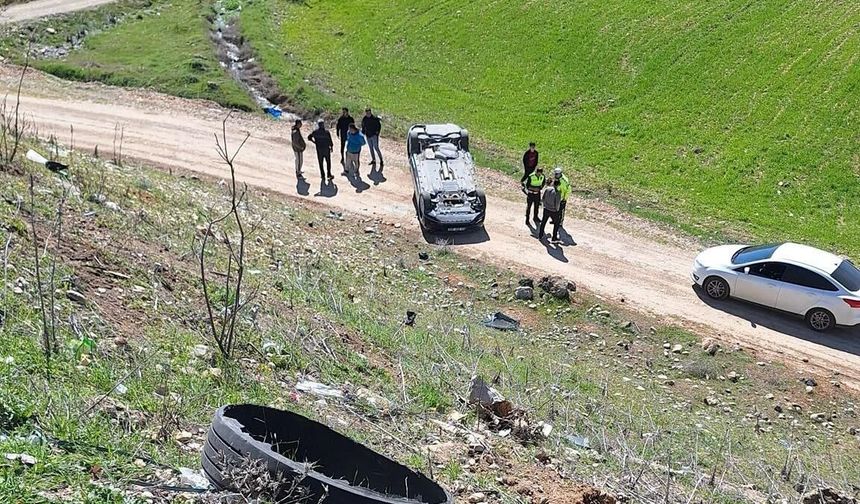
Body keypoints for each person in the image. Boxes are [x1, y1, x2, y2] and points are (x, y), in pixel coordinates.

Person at [538, 179, 562, 243]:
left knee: (543, 222)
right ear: (559, 185)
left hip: (546, 208)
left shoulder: (547, 189)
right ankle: (554, 237)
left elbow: (543, 198)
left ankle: (540, 235)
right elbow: (557, 203)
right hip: (553, 210)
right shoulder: (558, 192)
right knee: (556, 223)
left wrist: (545, 205)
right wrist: (557, 210)